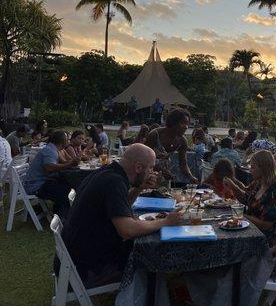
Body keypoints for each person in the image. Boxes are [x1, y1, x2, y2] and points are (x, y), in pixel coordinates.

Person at [58, 144, 182, 287]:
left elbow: (120, 206)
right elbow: (127, 230)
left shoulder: (109, 173)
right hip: (88, 269)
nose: (152, 172)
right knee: (148, 259)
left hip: (77, 257)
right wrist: (166, 222)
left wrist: (139, 187)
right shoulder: (114, 182)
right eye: (150, 168)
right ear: (138, 168)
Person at [225, 150, 276, 245]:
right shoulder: (258, 183)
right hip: (250, 232)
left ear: (263, 168)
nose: (250, 170)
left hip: (265, 240)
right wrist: (232, 186)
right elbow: (245, 199)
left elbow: (266, 225)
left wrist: (241, 216)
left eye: (253, 167)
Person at [23, 131, 80, 219]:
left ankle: (59, 213)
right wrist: (70, 164)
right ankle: (63, 217)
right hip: (36, 186)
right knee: (67, 192)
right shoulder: (50, 150)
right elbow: (49, 168)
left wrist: (73, 162)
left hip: (41, 182)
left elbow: (63, 163)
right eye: (67, 140)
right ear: (63, 142)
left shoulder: (53, 149)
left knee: (67, 185)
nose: (69, 142)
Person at [145, 107, 197, 185]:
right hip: (148, 174)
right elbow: (145, 159)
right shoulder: (155, 135)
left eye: (187, 124)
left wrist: (191, 177)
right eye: (183, 123)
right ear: (173, 122)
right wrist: (161, 170)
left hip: (165, 176)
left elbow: (183, 164)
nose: (186, 127)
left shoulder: (182, 141)